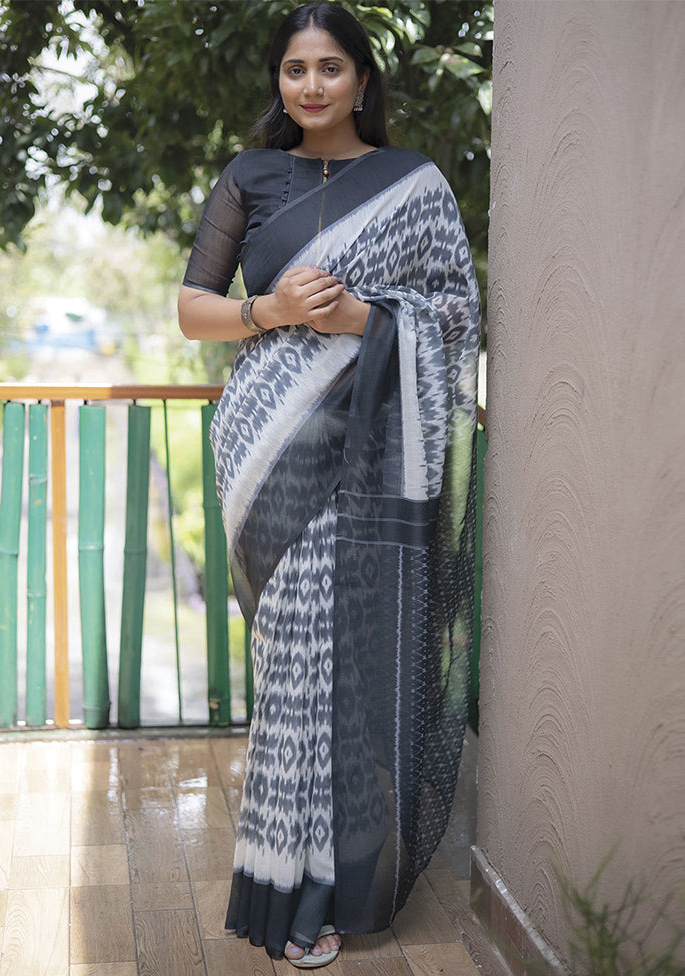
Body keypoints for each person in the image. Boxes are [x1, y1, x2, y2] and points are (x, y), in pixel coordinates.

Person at [178, 2, 480, 968]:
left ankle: (342, 889)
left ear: (362, 79)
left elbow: (458, 317)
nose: (311, 86)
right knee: (293, 670)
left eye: (331, 69)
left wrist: (363, 319)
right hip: (266, 450)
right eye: (295, 70)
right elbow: (193, 311)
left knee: (355, 670)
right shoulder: (249, 176)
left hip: (373, 458)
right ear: (280, 80)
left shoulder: (414, 183)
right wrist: (265, 309)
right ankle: (289, 891)